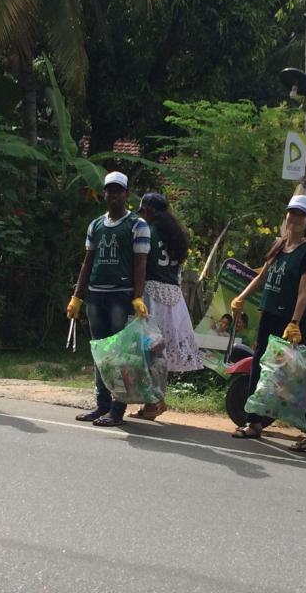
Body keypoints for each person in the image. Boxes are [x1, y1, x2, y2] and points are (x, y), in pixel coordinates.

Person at [230, 195, 306, 451]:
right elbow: (262, 277)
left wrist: (295, 322)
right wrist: (241, 297)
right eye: (292, 214)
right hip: (268, 315)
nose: (294, 219)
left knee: (289, 377)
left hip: (288, 321)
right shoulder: (279, 246)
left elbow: (304, 292)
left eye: (300, 216)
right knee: (260, 369)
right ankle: (255, 422)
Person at [66, 171, 150, 427]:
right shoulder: (96, 225)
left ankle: (117, 408)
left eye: (118, 191)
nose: (112, 195)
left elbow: (140, 264)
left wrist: (137, 296)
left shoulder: (137, 225)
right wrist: (77, 296)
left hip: (120, 295)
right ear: (104, 193)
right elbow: (87, 262)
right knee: (100, 352)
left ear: (126, 194)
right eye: (109, 191)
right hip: (96, 294)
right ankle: (101, 404)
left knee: (119, 354)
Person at [128, 192, 203, 420]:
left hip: (151, 294)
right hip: (173, 298)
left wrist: (135, 295)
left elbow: (139, 264)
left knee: (147, 352)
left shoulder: (147, 231)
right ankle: (157, 400)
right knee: (160, 354)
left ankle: (154, 402)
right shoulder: (177, 236)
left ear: (148, 211)